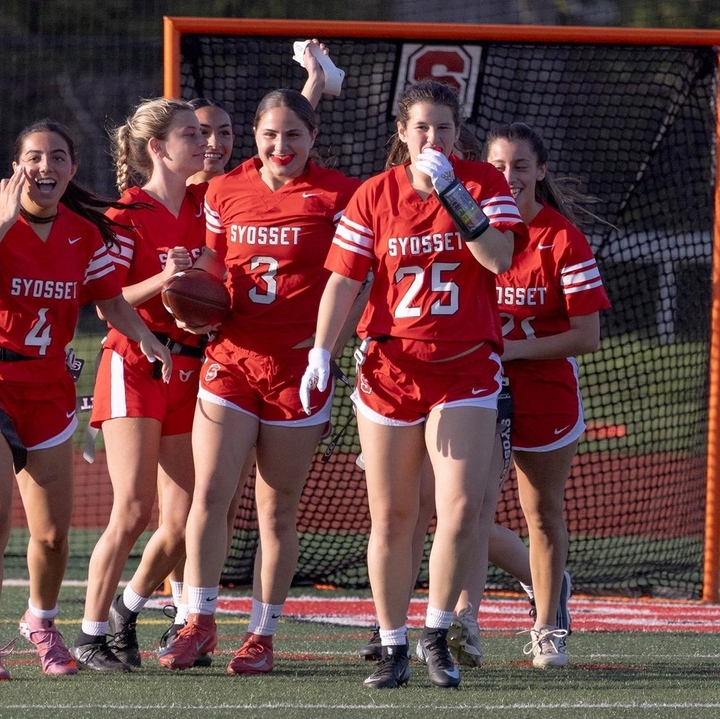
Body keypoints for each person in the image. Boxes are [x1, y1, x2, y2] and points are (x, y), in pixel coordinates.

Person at [303, 80, 525, 689]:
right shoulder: (375, 194)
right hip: (390, 367)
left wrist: (455, 194)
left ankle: (436, 636)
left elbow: (500, 258)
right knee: (393, 515)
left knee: (457, 509)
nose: (433, 138)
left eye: (445, 128)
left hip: (464, 366)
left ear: (458, 134)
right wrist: (322, 349)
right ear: (402, 133)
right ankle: (393, 642)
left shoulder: (482, 183)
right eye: (422, 127)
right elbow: (343, 281)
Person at [0, 119, 172, 681]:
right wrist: (7, 221)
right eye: (35, 158)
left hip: (48, 390)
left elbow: (110, 303)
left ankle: (41, 623)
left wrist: (149, 340)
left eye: (58, 158)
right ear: (18, 167)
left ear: (73, 169)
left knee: (54, 534)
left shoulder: (82, 234)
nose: (46, 168)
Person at [158, 87, 361, 676]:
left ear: (313, 139)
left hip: (297, 367)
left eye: (294, 135)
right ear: (255, 136)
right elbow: (216, 264)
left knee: (276, 510)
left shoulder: (339, 195)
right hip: (232, 358)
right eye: (271, 134)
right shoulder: (223, 188)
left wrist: (331, 345)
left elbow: (358, 279)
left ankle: (262, 634)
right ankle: (196, 619)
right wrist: (188, 294)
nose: (281, 145)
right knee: (210, 494)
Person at [69, 98, 211, 672]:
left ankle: (127, 610)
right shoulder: (127, 213)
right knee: (131, 509)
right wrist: (167, 278)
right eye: (189, 135)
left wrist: (313, 86)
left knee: (183, 520)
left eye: (203, 134)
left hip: (191, 366)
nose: (202, 143)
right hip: (135, 362)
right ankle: (88, 631)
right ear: (156, 147)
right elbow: (107, 302)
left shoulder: (208, 206)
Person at [482, 121, 610, 668]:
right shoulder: (466, 231)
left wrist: (511, 351)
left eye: (519, 166)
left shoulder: (561, 238)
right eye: (497, 167)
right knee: (453, 511)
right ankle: (462, 622)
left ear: (540, 172)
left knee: (542, 511)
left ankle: (548, 623)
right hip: (473, 391)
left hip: (545, 392)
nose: (508, 177)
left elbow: (587, 335)